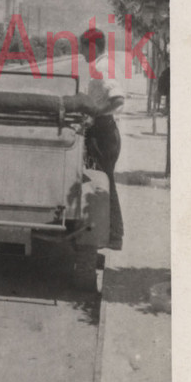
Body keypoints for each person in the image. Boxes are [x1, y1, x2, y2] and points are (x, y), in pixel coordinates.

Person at [79, 28, 125, 250]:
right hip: (104, 130)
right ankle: (112, 233)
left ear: (92, 47)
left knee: (104, 182)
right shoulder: (101, 65)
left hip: (103, 132)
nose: (81, 53)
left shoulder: (101, 67)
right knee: (103, 181)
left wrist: (95, 113)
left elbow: (117, 99)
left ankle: (115, 235)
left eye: (82, 49)